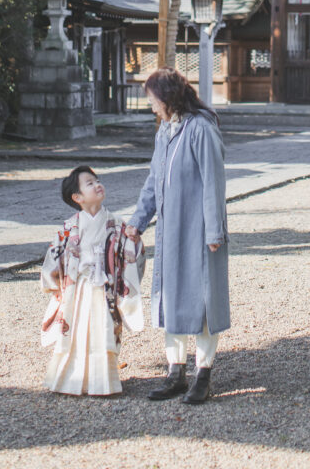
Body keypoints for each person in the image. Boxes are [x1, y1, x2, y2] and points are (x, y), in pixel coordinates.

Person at [125, 68, 230, 405]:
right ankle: (175, 371)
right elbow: (153, 182)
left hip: (199, 229)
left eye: (153, 99)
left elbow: (213, 181)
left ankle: (204, 374)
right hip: (170, 230)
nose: (151, 105)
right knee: (170, 298)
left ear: (167, 97)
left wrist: (215, 230)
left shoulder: (200, 129)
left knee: (201, 301)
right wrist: (137, 222)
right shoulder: (164, 132)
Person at [40, 165, 145, 396]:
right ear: (77, 197)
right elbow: (53, 256)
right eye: (90, 183)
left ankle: (103, 381)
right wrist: (53, 283)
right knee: (76, 331)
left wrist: (134, 242)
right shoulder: (69, 227)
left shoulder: (117, 224)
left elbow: (132, 251)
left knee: (103, 329)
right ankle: (70, 379)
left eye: (97, 180)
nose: (98, 185)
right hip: (78, 289)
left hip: (104, 288)